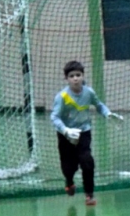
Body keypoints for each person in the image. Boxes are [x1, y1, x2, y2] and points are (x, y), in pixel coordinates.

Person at [50, 61, 123, 206]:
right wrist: (66, 130)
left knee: (87, 161)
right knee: (69, 167)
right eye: (72, 76)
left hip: (84, 132)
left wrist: (108, 114)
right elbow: (54, 117)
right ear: (66, 79)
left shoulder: (89, 92)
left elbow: (99, 105)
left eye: (78, 75)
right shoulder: (62, 97)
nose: (75, 79)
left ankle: (89, 194)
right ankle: (69, 181)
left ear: (83, 76)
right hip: (66, 135)